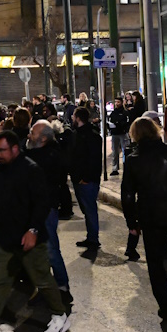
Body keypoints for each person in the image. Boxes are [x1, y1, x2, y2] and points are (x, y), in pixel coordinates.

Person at [0, 130, 72, 332]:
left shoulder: (31, 170)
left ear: (15, 149)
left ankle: (60, 316)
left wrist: (33, 230)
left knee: (42, 279)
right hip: (7, 239)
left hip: (28, 239)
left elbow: (42, 203)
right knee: (2, 283)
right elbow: (1, 202)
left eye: (2, 150)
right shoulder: (1, 171)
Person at [120, 118, 167, 322]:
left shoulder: (133, 159)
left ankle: (166, 306)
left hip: (150, 217)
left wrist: (132, 222)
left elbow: (127, 194)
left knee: (156, 264)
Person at [27, 119, 72, 301]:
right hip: (36, 208)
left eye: (33, 133)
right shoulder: (39, 152)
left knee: (51, 249)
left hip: (45, 210)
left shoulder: (49, 156)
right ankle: (46, 287)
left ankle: (62, 287)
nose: (29, 135)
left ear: (43, 139)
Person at [68, 106, 101, 249]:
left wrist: (86, 178)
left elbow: (93, 160)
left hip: (86, 180)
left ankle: (93, 239)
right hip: (79, 179)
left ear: (78, 118)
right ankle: (91, 237)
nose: (72, 119)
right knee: (87, 210)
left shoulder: (91, 136)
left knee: (90, 209)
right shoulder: (77, 134)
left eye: (73, 116)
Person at [106, 97, 128, 176]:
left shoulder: (124, 112)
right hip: (115, 133)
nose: (116, 104)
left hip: (122, 133)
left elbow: (124, 122)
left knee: (125, 150)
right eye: (115, 102)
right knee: (115, 151)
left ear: (121, 103)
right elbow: (111, 120)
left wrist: (118, 123)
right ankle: (115, 168)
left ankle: (126, 167)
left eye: (118, 102)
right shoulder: (114, 112)